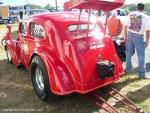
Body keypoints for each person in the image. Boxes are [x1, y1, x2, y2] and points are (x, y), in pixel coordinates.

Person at [124, 3, 150, 79]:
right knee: (141, 56)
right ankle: (142, 74)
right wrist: (147, 41)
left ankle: (128, 70)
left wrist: (125, 36)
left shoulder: (130, 14)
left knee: (128, 53)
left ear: (136, 8)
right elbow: (148, 30)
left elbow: (125, 26)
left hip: (130, 34)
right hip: (138, 36)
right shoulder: (145, 16)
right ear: (143, 9)